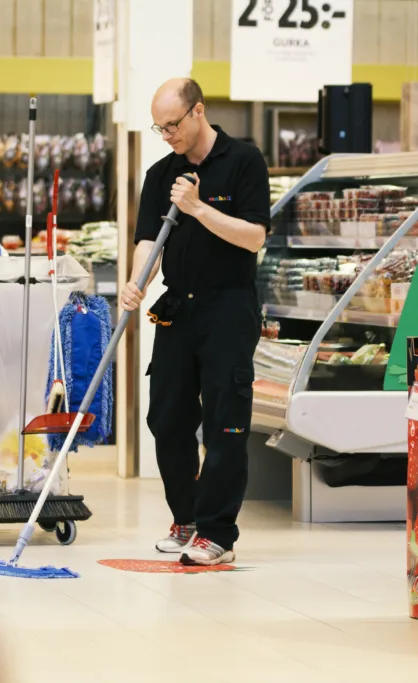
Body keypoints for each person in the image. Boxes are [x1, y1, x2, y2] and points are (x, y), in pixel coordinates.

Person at [121, 78, 270, 566]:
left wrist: (197, 208)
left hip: (228, 307)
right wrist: (136, 279)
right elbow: (150, 240)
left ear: (198, 111)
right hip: (177, 307)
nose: (167, 136)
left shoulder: (244, 161)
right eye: (159, 128)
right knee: (166, 416)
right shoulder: (161, 172)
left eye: (173, 126)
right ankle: (185, 517)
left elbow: (253, 238)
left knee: (225, 421)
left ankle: (217, 533)